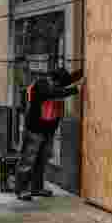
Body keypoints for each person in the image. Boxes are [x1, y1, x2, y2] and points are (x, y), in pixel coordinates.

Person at [16, 66, 84, 201]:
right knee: (28, 160)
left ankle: (37, 188)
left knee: (41, 160)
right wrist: (75, 89)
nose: (60, 86)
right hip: (34, 129)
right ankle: (22, 189)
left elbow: (69, 80)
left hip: (47, 129)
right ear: (53, 80)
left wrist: (84, 70)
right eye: (59, 84)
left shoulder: (55, 83)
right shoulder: (41, 84)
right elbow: (53, 93)